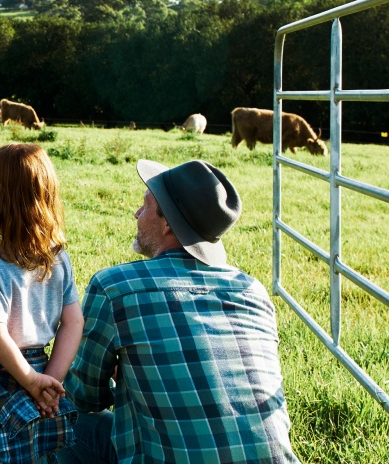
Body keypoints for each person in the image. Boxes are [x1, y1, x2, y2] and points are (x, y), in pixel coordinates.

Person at [59, 159, 300, 464]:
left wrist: (128, 381)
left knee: (59, 422)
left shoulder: (116, 287)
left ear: (167, 223)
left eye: (144, 206)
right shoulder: (252, 291)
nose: (137, 214)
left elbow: (82, 395)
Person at [0, 144, 84, 463]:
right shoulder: (59, 259)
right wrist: (50, 381)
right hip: (42, 367)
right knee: (40, 452)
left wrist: (30, 380)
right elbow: (74, 322)